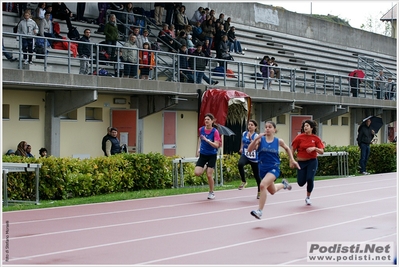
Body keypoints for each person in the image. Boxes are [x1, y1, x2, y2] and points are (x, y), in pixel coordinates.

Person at [247, 121, 300, 219]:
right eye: (266, 127)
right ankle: (284, 185)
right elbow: (249, 150)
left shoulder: (278, 141)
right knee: (272, 191)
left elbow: (287, 149)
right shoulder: (260, 140)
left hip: (274, 168)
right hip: (262, 169)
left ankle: (259, 211)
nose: (267, 129)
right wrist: (255, 140)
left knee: (262, 185)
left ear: (274, 130)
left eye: (270, 127)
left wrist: (292, 159)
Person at [291, 120, 325, 205]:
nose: (305, 127)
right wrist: (291, 160)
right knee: (301, 183)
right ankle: (304, 180)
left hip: (312, 161)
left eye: (307, 126)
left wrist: (314, 148)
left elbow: (322, 151)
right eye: (304, 126)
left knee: (310, 178)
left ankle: (308, 197)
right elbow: (292, 149)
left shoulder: (316, 139)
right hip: (301, 162)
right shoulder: (299, 137)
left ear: (311, 128)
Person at [195, 113, 222, 200]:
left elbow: (216, 145)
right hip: (203, 154)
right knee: (197, 173)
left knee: (209, 175)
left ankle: (211, 192)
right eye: (205, 119)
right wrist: (198, 149)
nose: (206, 121)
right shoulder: (201, 129)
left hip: (212, 155)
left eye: (208, 119)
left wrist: (208, 141)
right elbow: (199, 139)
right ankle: (205, 165)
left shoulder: (215, 132)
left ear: (212, 121)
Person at [237, 119, 262, 199]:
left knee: (257, 176)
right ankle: (244, 181)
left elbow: (256, 147)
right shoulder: (244, 133)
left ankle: (259, 191)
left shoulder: (256, 136)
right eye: (249, 125)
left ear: (255, 127)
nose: (250, 126)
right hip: (246, 154)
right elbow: (242, 141)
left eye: (252, 125)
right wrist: (241, 148)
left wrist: (252, 139)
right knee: (240, 164)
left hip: (254, 157)